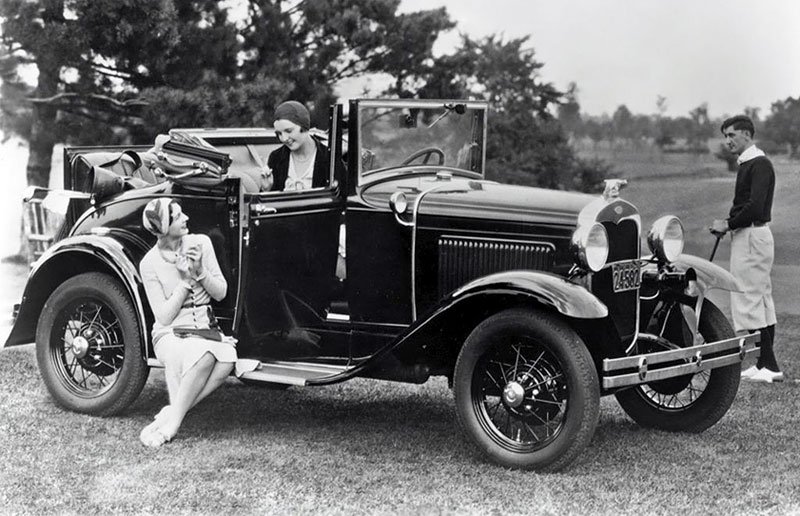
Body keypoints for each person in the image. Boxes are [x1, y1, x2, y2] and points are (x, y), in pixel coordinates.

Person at [138, 198, 237, 447]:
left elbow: (221, 292)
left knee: (226, 360)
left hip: (203, 328)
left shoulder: (201, 243)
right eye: (178, 217)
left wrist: (200, 271)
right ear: (163, 227)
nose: (186, 219)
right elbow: (163, 316)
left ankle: (172, 412)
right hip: (170, 332)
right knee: (203, 355)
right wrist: (185, 281)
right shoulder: (149, 263)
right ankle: (172, 426)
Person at [710, 115, 781, 383]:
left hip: (752, 235)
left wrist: (727, 224)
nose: (727, 140)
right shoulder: (749, 163)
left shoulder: (758, 164)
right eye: (725, 136)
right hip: (751, 234)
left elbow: (753, 206)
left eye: (732, 135)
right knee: (761, 299)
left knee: (750, 297)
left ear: (747, 135)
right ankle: (765, 365)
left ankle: (770, 366)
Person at [267, 100, 330, 191]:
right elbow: (266, 203)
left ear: (304, 126)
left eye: (289, 131)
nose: (284, 138)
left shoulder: (329, 158)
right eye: (279, 134)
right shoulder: (276, 157)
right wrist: (266, 189)